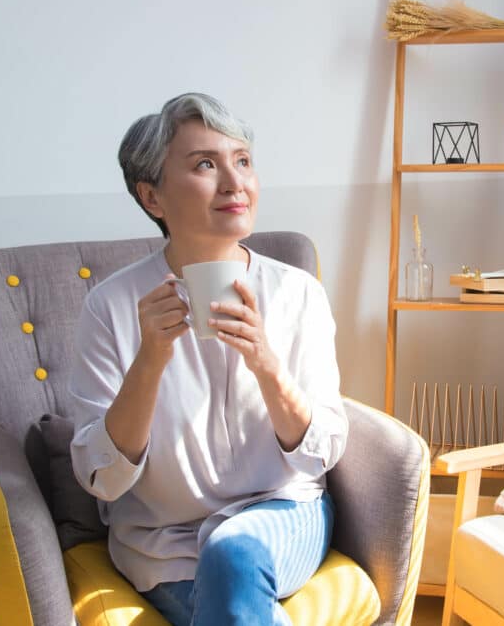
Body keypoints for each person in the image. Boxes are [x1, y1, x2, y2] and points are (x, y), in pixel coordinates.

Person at [67, 93, 348, 625]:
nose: (234, 182)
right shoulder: (111, 306)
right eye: (204, 164)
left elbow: (322, 453)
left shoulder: (297, 294)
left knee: (234, 551)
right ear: (153, 197)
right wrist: (150, 360)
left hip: (283, 515)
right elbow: (101, 478)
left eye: (242, 160)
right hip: (164, 544)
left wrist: (266, 363)